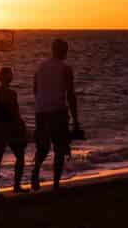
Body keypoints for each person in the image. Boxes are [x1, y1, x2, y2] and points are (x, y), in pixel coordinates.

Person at [31, 38, 79, 191]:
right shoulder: (66, 68)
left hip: (41, 111)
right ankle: (56, 184)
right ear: (63, 51)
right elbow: (70, 95)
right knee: (59, 148)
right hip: (58, 111)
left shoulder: (40, 67)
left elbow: (35, 89)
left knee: (42, 147)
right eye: (66, 50)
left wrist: (41, 104)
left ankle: (35, 172)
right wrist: (75, 119)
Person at [0, 66, 26, 199]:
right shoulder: (11, 94)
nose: (11, 77)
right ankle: (16, 185)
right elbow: (15, 114)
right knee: (19, 156)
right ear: (8, 78)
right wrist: (21, 126)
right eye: (10, 75)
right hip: (8, 129)